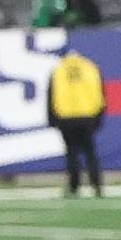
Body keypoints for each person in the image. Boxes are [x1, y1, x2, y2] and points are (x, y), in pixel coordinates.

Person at [48, 39, 108, 197]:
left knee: (72, 153)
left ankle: (74, 187)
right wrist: (99, 116)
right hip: (87, 115)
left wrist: (53, 119)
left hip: (66, 116)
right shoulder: (90, 67)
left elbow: (52, 95)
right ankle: (97, 185)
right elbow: (100, 93)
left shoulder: (59, 70)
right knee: (90, 152)